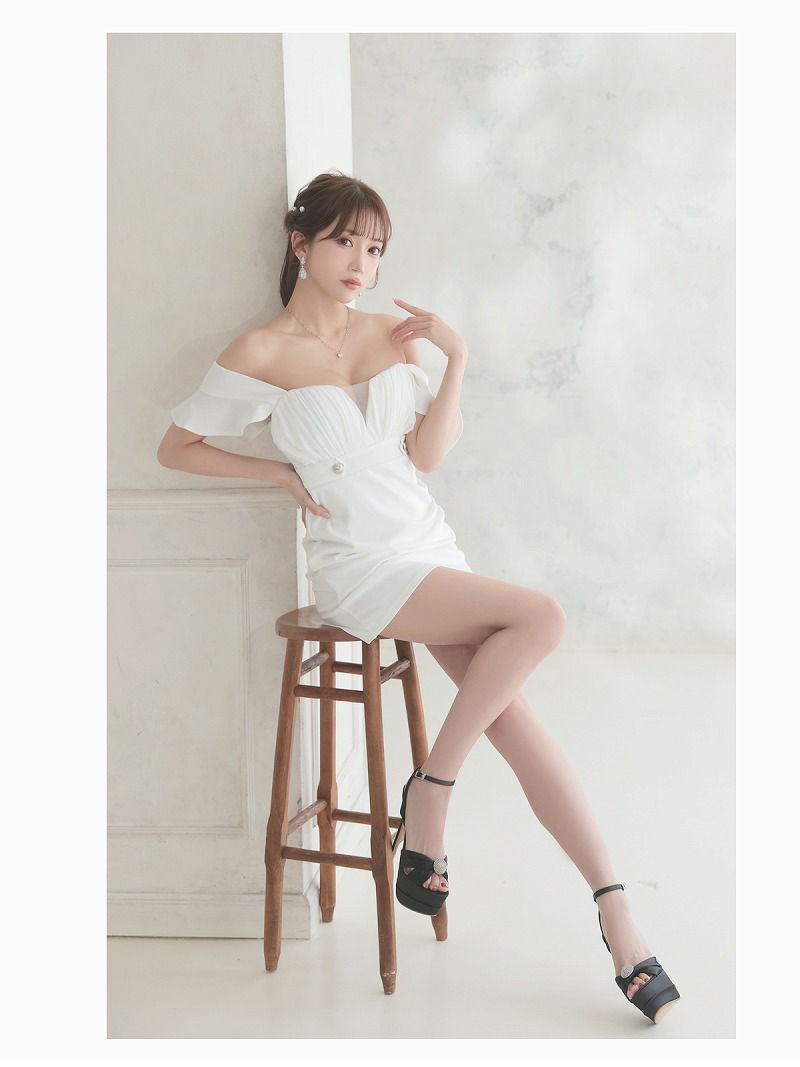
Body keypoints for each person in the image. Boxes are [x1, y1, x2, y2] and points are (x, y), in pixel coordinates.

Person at [157, 170, 680, 1023]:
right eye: (345, 242)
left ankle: (615, 912)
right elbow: (176, 447)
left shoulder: (391, 336)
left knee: (514, 720)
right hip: (359, 565)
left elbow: (427, 458)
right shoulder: (260, 352)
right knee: (542, 616)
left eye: (375, 249)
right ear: (301, 242)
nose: (361, 263)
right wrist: (276, 472)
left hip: (428, 545)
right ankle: (432, 794)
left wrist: (457, 360)